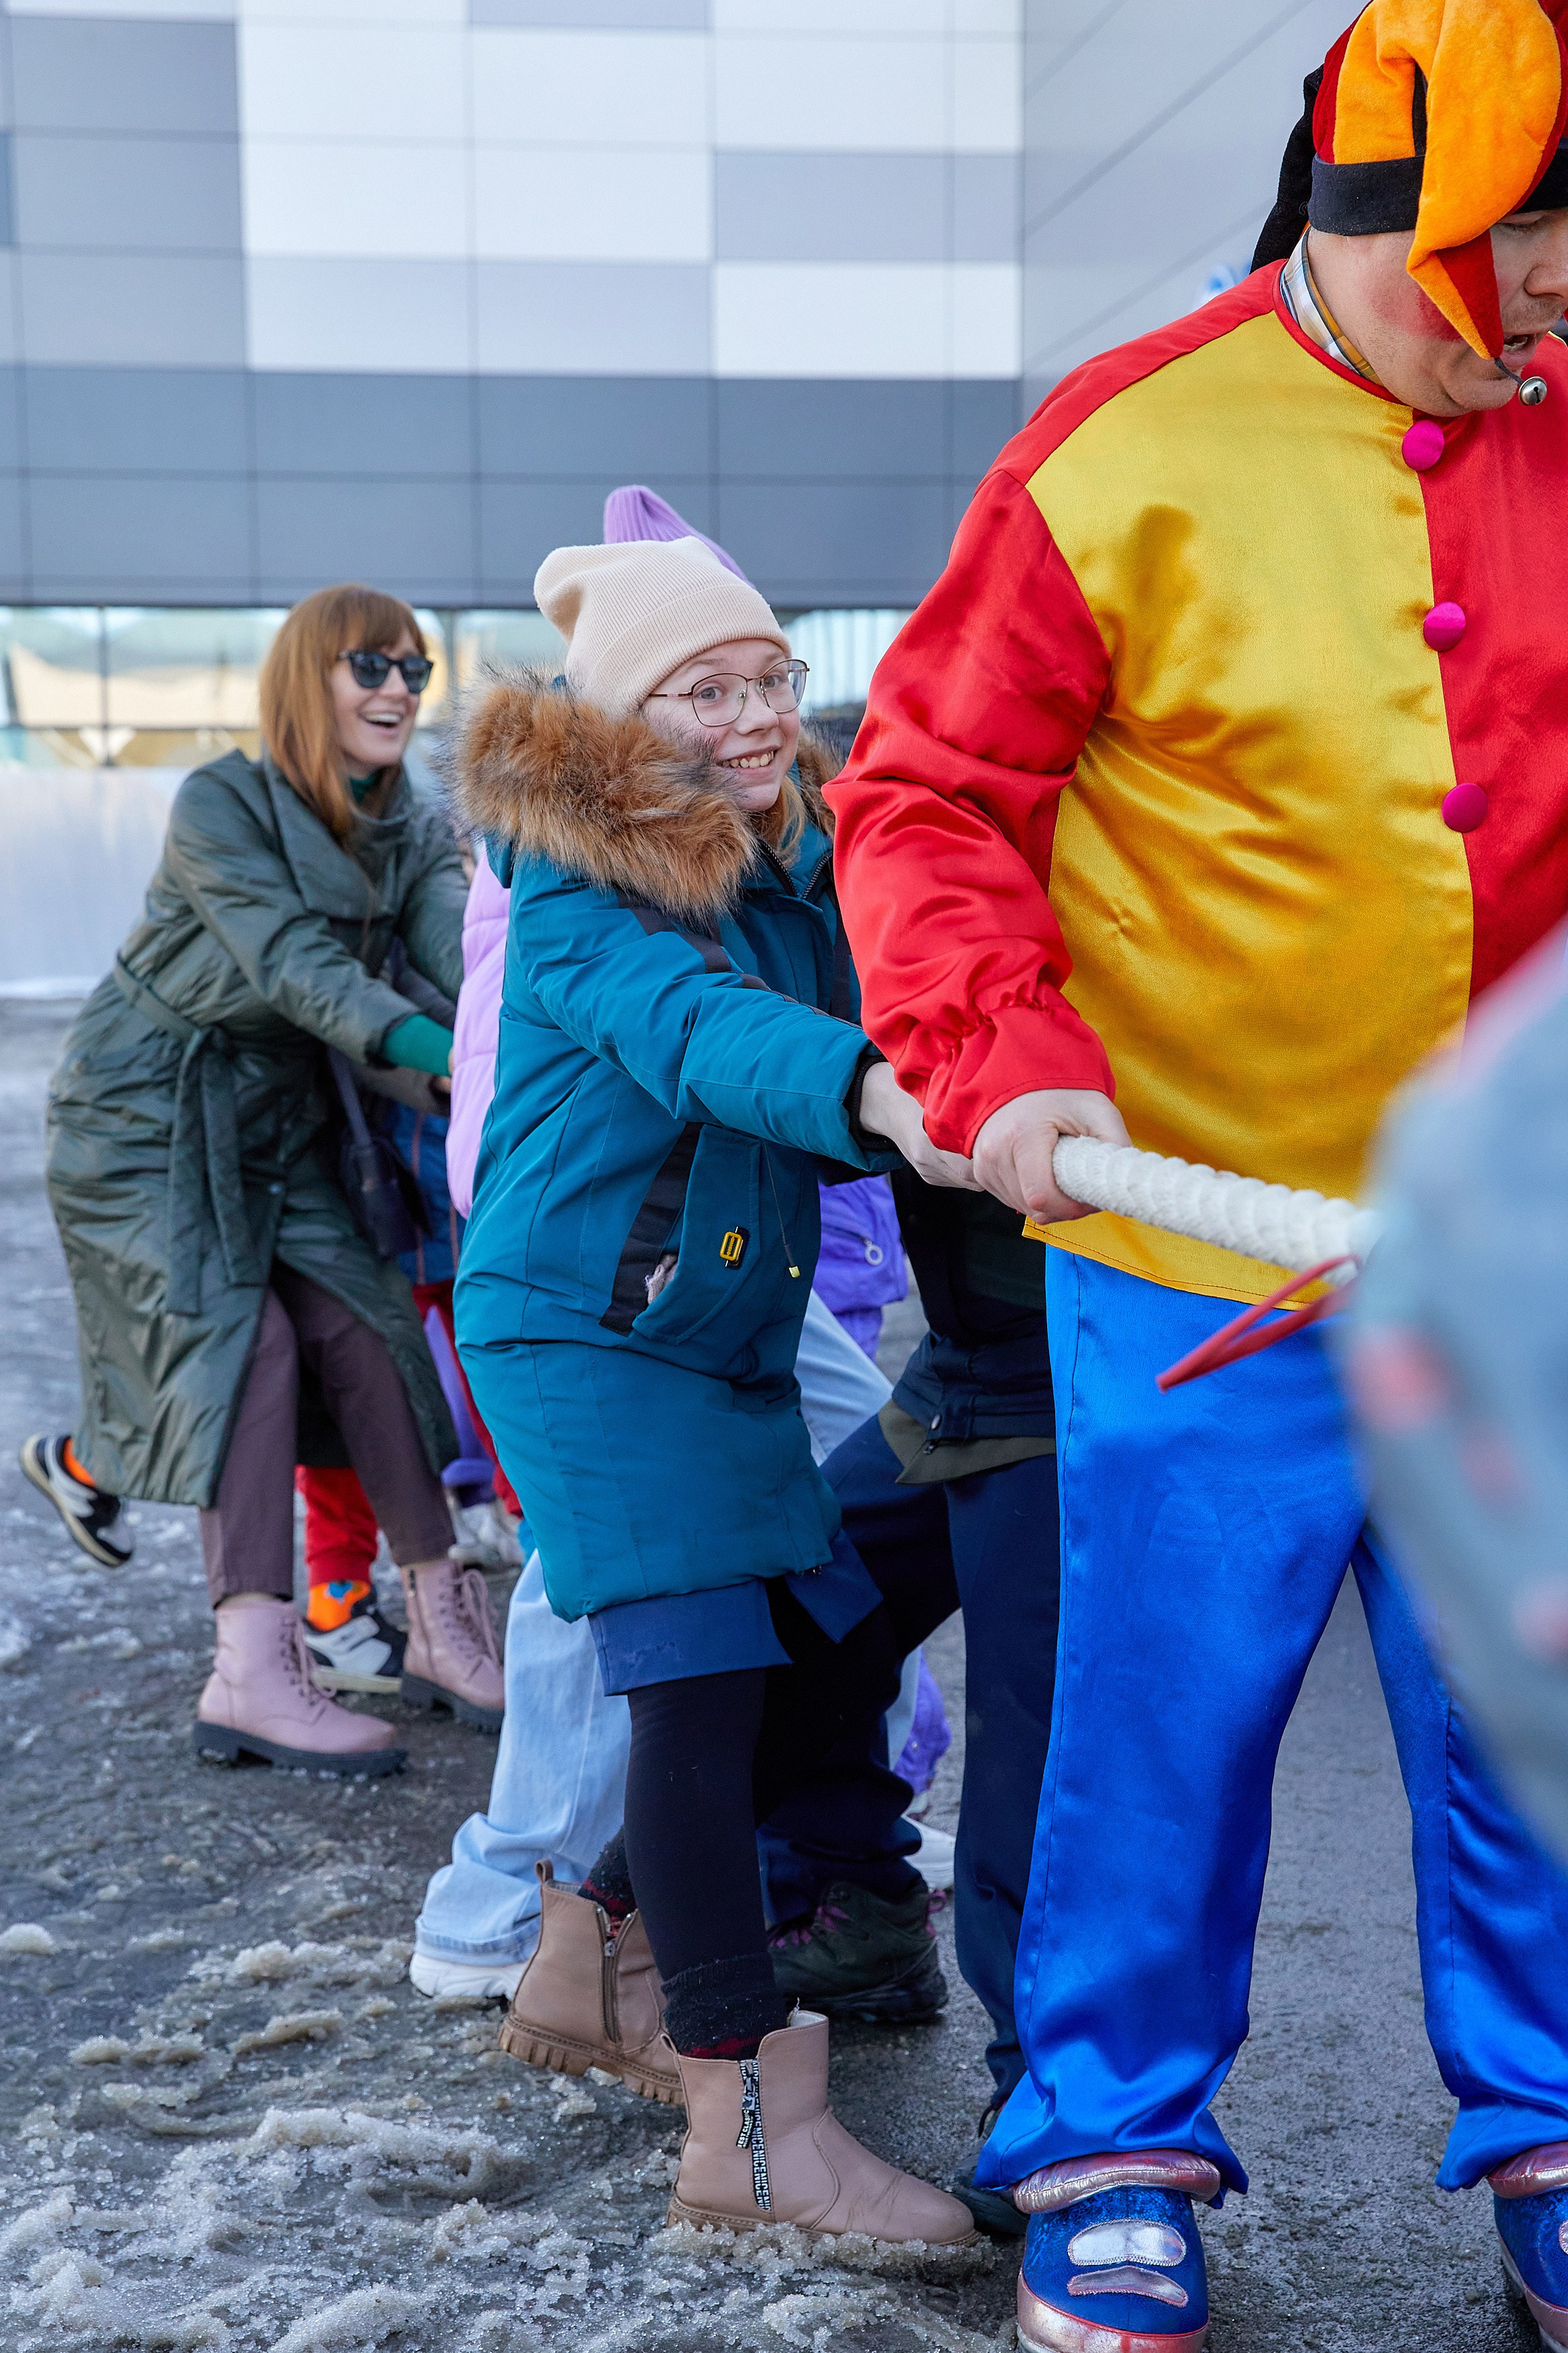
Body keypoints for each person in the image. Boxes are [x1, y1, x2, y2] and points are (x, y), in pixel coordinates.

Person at [828, 3, 1568, 2342]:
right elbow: (929, 800)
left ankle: (1553, 2131)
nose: (1565, 292)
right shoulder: (1119, 445)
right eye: (1540, 238)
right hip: (1188, 1238)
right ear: (1404, 214)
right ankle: (1109, 2145)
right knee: (1163, 1720)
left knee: (1533, 1719)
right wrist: (1000, 1062)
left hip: (1513, 1264)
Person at [449, 532, 976, 2245]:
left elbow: (885, 944)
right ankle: (750, 2133)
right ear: (627, 716)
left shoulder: (783, 847)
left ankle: (592, 1961)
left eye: (771, 677)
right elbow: (706, 1038)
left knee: (806, 1621)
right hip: (583, 1334)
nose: (757, 714)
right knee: (693, 1687)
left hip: (699, 1322)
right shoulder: (578, 882)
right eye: (708, 687)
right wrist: (887, 1094)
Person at [25, 584, 492, 1775]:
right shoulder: (222, 800)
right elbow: (290, 966)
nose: (398, 689)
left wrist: (511, 1032)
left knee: (370, 1327)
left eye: (413, 671)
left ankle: (442, 1625)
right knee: (247, 1348)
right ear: (309, 675)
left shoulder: (412, 818)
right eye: (370, 666)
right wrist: (445, 1056)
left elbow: (454, 947)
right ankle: (250, 1671)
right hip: (144, 1118)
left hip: (280, 1125)